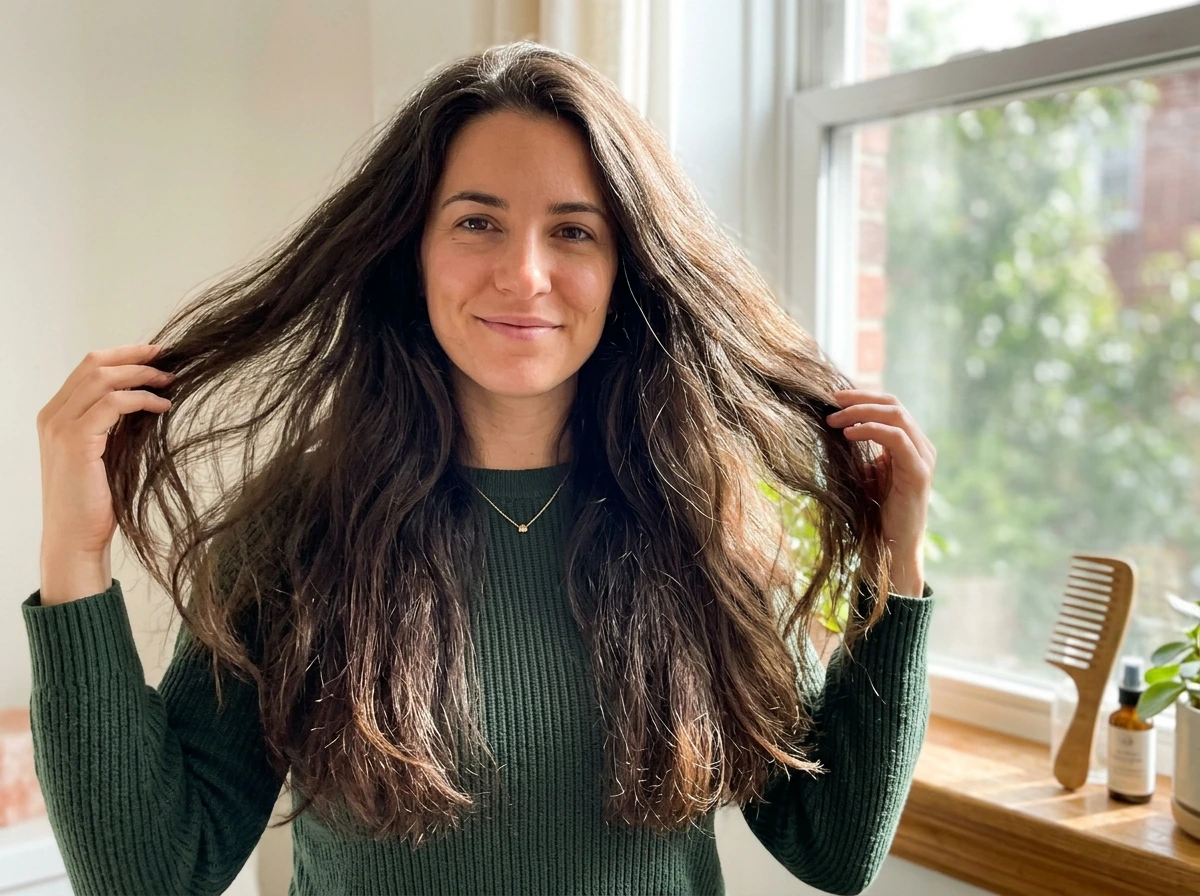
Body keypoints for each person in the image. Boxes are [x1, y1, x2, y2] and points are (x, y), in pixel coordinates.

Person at [25, 40, 937, 896]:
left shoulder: (701, 524)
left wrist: (897, 562)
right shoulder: (297, 534)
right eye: (477, 222)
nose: (525, 274)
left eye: (573, 232)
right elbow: (154, 871)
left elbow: (834, 846)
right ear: (411, 253)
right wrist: (75, 551)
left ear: (626, 267)